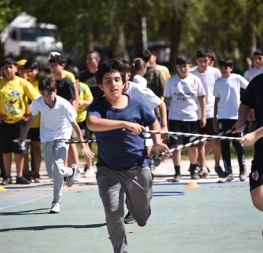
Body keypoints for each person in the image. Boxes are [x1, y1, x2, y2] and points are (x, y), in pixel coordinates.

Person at [87, 58, 169, 253]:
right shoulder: (98, 106)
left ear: (124, 83)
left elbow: (154, 121)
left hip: (138, 167)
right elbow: (92, 123)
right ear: (101, 85)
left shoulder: (138, 103)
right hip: (108, 171)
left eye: (117, 79)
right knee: (113, 212)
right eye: (107, 80)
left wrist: (157, 143)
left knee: (142, 213)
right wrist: (124, 123)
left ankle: (141, 215)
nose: (113, 84)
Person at [18, 75, 94, 213]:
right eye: (44, 94)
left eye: (50, 93)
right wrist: (23, 135)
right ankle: (72, 171)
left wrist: (83, 144)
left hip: (62, 136)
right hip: (46, 138)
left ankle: (56, 201)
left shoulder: (64, 104)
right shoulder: (38, 102)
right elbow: (32, 118)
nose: (48, 97)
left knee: (58, 168)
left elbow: (74, 124)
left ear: (55, 91)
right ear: (41, 93)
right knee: (52, 173)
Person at [164, 55, 206, 182]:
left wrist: (203, 116)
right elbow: (166, 101)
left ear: (189, 66)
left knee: (192, 146)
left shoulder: (195, 80)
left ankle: (193, 169)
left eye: (185, 66)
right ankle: (177, 172)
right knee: (176, 146)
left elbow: (201, 98)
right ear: (176, 67)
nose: (182, 68)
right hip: (175, 118)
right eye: (179, 66)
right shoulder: (171, 82)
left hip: (192, 118)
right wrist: (164, 121)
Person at [0, 58, 40, 185]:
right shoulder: (0, 84)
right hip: (4, 122)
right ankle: (7, 175)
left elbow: (36, 98)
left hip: (20, 121)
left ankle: (20, 175)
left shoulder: (22, 83)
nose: (8, 70)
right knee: (5, 149)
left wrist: (29, 114)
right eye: (6, 67)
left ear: (16, 69)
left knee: (20, 149)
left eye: (11, 67)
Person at [232, 66, 263, 212]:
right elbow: (245, 103)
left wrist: (255, 135)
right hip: (262, 149)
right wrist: (241, 120)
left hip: (258, 137)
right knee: (258, 196)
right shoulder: (257, 82)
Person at [189, 48, 224, 178]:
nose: (204, 64)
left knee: (215, 141)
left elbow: (221, 88)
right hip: (196, 113)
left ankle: (217, 165)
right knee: (200, 142)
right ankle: (202, 167)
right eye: (201, 61)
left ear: (210, 61)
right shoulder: (191, 73)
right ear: (196, 61)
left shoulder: (215, 72)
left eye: (206, 61)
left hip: (212, 112)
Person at [213, 58, 248, 183]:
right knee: (225, 146)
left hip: (236, 117)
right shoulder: (217, 82)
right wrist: (215, 119)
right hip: (223, 117)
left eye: (226, 67)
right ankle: (228, 173)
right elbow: (216, 101)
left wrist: (244, 106)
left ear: (231, 68)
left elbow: (249, 88)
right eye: (221, 67)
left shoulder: (237, 78)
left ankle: (243, 169)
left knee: (238, 145)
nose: (223, 69)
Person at [48, 54, 80, 172]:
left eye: (55, 65)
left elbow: (73, 101)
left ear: (63, 66)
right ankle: (63, 170)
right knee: (58, 145)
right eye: (50, 65)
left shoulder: (67, 82)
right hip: (55, 118)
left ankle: (76, 169)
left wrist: (72, 119)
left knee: (70, 143)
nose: (52, 67)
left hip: (66, 118)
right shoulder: (50, 82)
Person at [67, 65, 94, 178]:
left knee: (85, 142)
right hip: (69, 120)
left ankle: (90, 167)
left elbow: (91, 101)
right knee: (70, 144)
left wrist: (82, 102)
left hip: (81, 119)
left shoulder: (83, 86)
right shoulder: (65, 86)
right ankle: (72, 167)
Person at [23, 60, 42, 182]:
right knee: (24, 148)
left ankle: (36, 172)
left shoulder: (39, 84)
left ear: (37, 71)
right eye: (27, 71)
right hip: (24, 122)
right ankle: (26, 172)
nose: (29, 73)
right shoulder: (22, 84)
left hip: (38, 122)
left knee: (36, 148)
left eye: (31, 71)